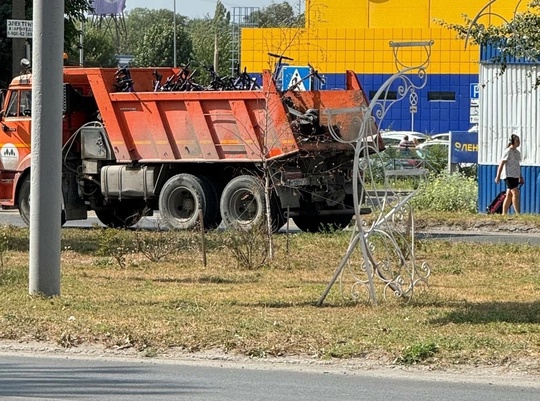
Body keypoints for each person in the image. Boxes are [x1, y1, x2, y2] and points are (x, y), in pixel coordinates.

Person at [495, 134, 524, 215]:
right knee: (516, 193)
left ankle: (503, 213)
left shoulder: (517, 152)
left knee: (509, 194)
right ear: (512, 142)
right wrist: (498, 176)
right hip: (508, 175)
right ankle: (518, 214)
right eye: (517, 141)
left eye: (519, 141)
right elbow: (501, 163)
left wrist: (520, 176)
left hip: (515, 175)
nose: (519, 142)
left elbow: (517, 165)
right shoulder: (508, 151)